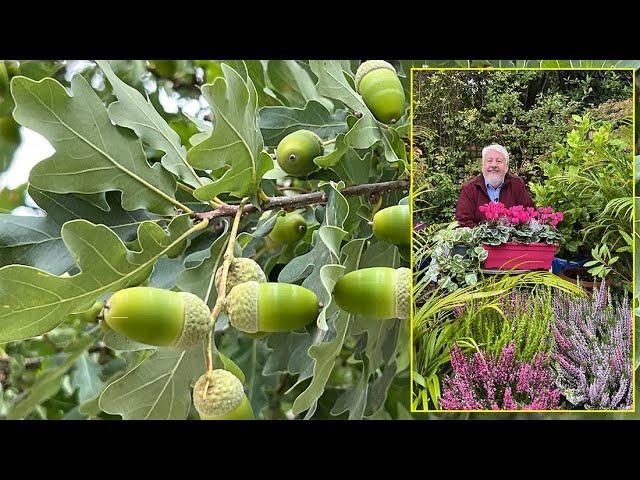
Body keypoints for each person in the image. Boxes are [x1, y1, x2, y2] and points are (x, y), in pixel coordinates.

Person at [454, 144, 534, 228]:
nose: (494, 165)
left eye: (499, 161)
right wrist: (484, 234)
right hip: (479, 239)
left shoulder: (516, 185)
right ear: (483, 166)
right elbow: (463, 221)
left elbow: (529, 214)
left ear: (506, 167)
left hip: (513, 238)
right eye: (489, 161)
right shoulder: (470, 188)